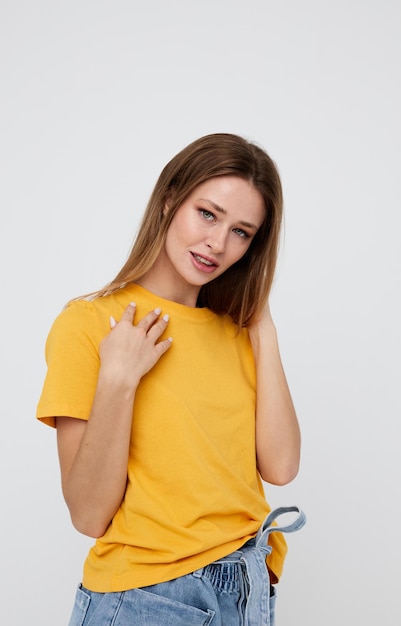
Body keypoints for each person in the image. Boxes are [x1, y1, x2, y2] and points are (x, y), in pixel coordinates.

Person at [36, 132, 306, 626]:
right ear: (168, 202)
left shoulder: (239, 333)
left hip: (246, 591)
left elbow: (282, 466)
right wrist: (119, 378)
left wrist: (262, 324)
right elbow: (88, 514)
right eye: (207, 214)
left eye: (242, 232)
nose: (218, 244)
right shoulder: (90, 324)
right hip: (147, 597)